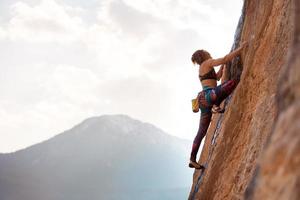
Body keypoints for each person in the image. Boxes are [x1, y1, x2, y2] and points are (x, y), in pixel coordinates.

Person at [189, 42, 247, 169]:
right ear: (204, 55)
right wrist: (241, 49)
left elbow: (216, 78)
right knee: (234, 81)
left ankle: (192, 159)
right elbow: (225, 59)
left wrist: (222, 69)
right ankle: (215, 106)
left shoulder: (202, 68)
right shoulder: (208, 62)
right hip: (210, 96)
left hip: (203, 100)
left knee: (201, 131)